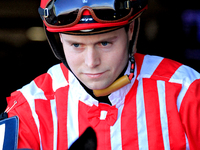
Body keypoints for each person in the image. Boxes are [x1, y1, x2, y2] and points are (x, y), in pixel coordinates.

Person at [4, 0, 200, 149]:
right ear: (60, 39)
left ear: (130, 30)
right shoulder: (28, 108)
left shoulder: (186, 91)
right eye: (76, 45)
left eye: (105, 43)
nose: (92, 62)